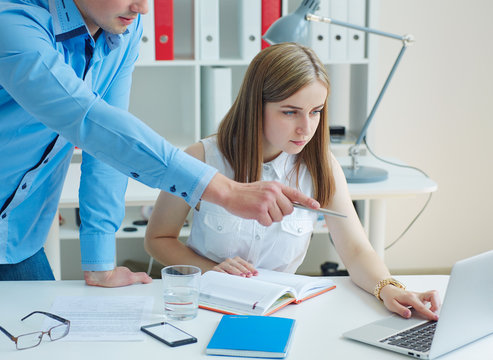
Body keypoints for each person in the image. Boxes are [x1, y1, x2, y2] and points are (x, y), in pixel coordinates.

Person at [0, 1, 319, 285]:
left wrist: (100, 264)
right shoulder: (12, 24)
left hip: (18, 237)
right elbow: (90, 122)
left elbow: (107, 149)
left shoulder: (123, 29)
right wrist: (227, 191)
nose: (143, 8)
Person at [145, 42, 440, 320]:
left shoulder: (321, 166)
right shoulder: (201, 158)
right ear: (255, 106)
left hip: (282, 311)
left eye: (316, 112)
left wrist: (388, 288)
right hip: (208, 305)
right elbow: (158, 238)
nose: (306, 128)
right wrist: (210, 270)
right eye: (290, 112)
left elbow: (357, 250)